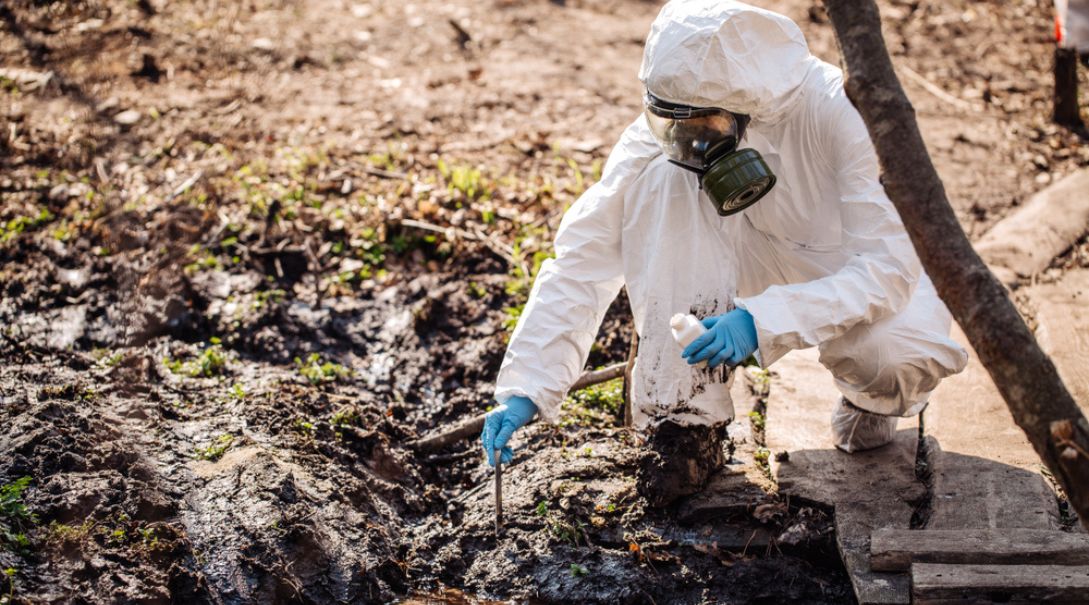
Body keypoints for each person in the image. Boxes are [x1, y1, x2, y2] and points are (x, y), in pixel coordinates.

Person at [480, 0, 968, 507]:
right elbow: (581, 258)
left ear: (747, 108)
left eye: (702, 126)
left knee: (892, 359)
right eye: (670, 122)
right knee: (661, 180)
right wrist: (529, 386)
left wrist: (763, 321)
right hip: (746, 257)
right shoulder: (681, 113)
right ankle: (686, 422)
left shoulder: (838, 112)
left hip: (848, 269)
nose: (684, 140)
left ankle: (869, 403)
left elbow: (888, 269)